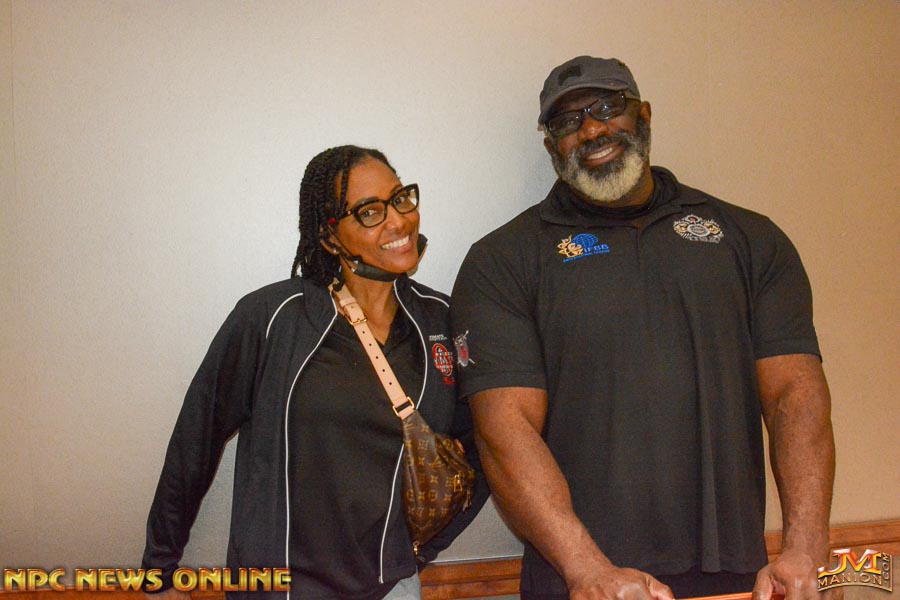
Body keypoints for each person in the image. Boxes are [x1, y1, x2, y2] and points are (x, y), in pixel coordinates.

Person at [450, 56, 836, 600]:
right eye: (567, 121)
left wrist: (807, 548)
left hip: (731, 577)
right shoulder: (502, 261)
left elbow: (794, 394)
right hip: (580, 581)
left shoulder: (749, 239)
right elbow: (504, 431)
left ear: (644, 114)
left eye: (608, 107)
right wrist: (586, 569)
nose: (592, 130)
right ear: (551, 145)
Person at [142, 145, 488, 600]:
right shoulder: (273, 318)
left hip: (391, 590)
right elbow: (195, 442)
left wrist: (417, 553)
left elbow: (488, 448)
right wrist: (158, 568)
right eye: (370, 211)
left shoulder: (442, 320)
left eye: (401, 198)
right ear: (329, 237)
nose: (399, 220)